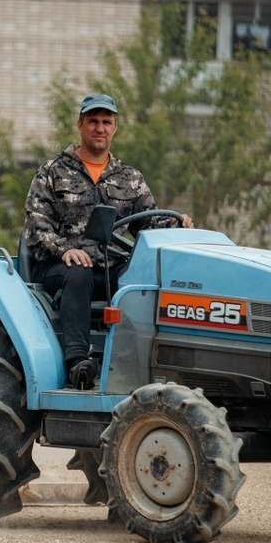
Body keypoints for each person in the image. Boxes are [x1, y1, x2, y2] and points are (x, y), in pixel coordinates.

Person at [23, 93, 193, 389]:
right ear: (80, 125)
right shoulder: (52, 172)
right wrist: (66, 250)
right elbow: (37, 229)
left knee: (144, 280)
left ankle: (144, 361)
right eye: (93, 121)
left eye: (106, 122)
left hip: (109, 267)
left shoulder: (129, 177)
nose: (99, 128)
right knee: (80, 273)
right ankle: (78, 363)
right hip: (58, 269)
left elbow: (148, 224)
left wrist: (177, 225)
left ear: (115, 128)